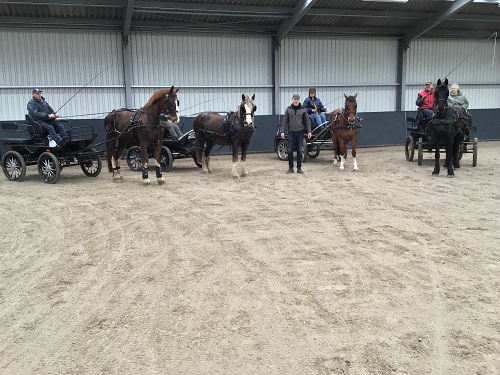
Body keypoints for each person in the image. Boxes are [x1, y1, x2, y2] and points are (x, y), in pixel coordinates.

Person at [280, 94, 311, 174]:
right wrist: (282, 131)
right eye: (294, 99)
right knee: (290, 150)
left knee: (300, 150)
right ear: (292, 100)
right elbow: (285, 121)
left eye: (297, 99)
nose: (296, 100)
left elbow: (307, 121)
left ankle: (299, 168)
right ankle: (291, 168)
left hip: (300, 132)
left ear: (299, 100)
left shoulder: (303, 109)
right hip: (291, 132)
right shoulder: (288, 109)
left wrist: (309, 131)